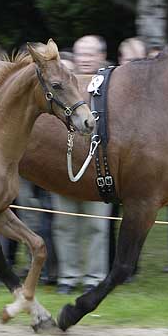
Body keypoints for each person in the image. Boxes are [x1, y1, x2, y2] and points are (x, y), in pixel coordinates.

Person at [52, 35, 111, 293]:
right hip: (63, 165)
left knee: (97, 226)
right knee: (64, 224)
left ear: (101, 56)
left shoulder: (110, 84)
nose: (85, 58)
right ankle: (68, 277)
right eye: (80, 53)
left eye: (90, 53)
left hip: (99, 167)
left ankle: (94, 279)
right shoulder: (63, 86)